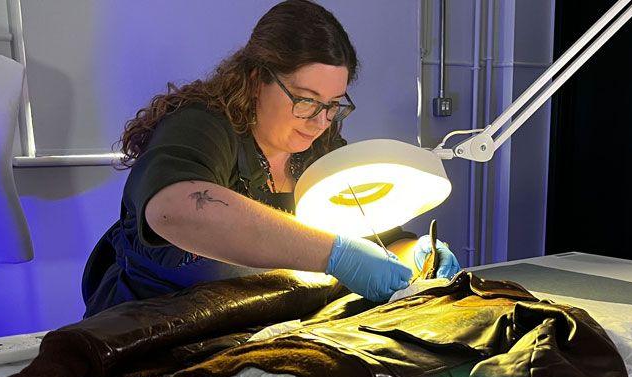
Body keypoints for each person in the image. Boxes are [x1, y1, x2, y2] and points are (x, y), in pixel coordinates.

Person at [81, 0, 460, 317]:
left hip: (254, 327)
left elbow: (369, 235)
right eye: (305, 99)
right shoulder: (202, 124)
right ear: (256, 78)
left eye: (333, 105)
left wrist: (413, 255)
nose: (319, 120)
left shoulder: (318, 146)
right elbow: (172, 209)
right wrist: (336, 255)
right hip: (153, 328)